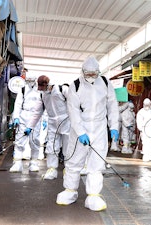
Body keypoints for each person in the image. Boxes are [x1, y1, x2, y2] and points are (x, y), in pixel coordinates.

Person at [56, 56, 119, 211]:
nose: (91, 77)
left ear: (98, 72)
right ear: (83, 72)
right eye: (88, 74)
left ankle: (93, 196)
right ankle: (70, 191)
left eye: (94, 74)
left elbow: (112, 105)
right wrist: (81, 132)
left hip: (99, 129)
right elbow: (73, 111)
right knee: (74, 162)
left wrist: (114, 126)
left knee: (96, 164)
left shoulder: (105, 83)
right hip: (80, 130)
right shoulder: (75, 85)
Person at [36, 75, 70, 180]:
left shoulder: (63, 89)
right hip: (52, 123)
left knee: (68, 147)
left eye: (43, 87)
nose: (42, 90)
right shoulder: (43, 95)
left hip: (66, 121)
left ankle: (69, 170)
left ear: (48, 84)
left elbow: (74, 104)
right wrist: (31, 125)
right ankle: (52, 169)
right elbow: (40, 110)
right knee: (51, 146)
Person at [10, 69, 43, 172]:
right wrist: (16, 117)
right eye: (28, 80)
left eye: (31, 80)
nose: (29, 82)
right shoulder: (23, 89)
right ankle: (17, 163)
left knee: (34, 140)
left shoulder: (41, 91)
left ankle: (33, 162)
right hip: (24, 116)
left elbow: (44, 105)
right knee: (19, 140)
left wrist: (45, 118)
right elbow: (18, 104)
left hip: (36, 117)